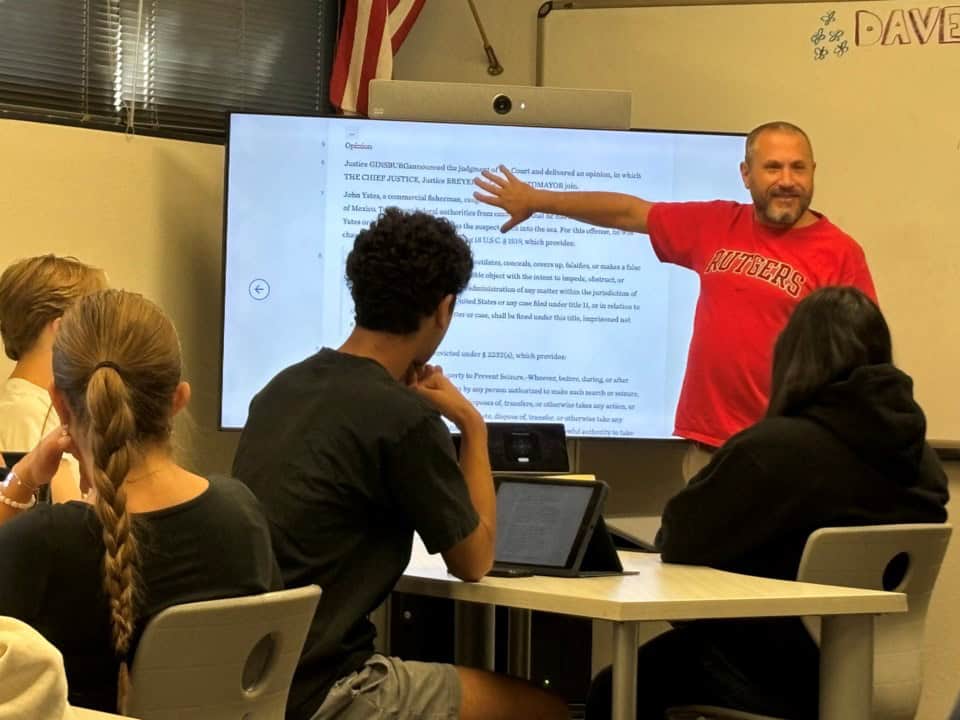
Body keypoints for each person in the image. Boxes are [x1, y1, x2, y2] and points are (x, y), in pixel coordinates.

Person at [232, 208, 568, 720]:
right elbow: (473, 561)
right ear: (444, 309)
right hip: (327, 688)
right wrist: (472, 429)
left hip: (252, 681)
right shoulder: (404, 418)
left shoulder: (279, 390)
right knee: (545, 709)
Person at [584, 286, 949, 720]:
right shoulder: (924, 461)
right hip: (882, 674)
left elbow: (678, 541)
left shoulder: (774, 450)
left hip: (775, 677)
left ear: (794, 359)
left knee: (616, 687)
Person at [474, 122, 877, 477]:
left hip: (789, 452)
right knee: (704, 564)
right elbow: (628, 213)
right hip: (710, 448)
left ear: (812, 172)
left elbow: (863, 363)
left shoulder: (840, 253)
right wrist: (537, 201)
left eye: (798, 167)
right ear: (746, 174)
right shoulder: (717, 224)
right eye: (773, 167)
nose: (787, 180)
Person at [0, 289, 280, 714]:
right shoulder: (241, 513)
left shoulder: (42, 543)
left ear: (59, 402)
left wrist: (19, 481)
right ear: (178, 400)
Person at [0, 254, 107, 500]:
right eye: (96, 325)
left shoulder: (38, 407)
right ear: (63, 329)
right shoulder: (26, 414)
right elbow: (69, 523)